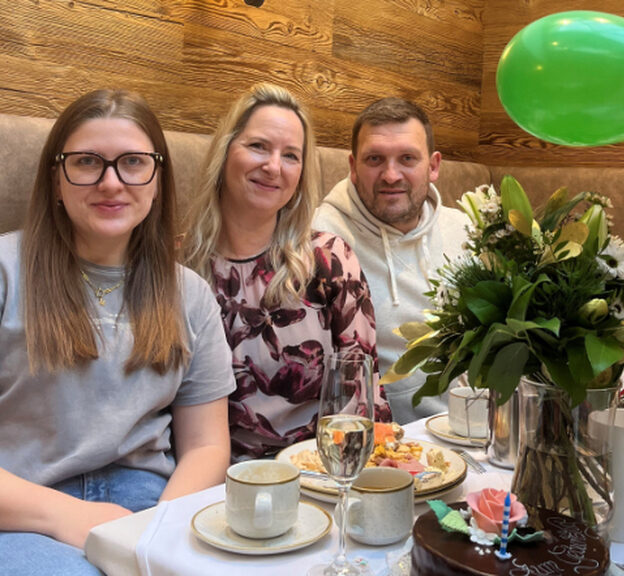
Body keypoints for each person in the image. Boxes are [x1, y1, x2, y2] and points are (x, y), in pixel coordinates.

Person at [0, 90, 235, 575]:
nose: (112, 183)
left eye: (133, 162)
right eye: (87, 162)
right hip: (23, 509)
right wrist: (71, 516)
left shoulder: (189, 294)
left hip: (156, 501)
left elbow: (207, 446)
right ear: (56, 179)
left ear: (157, 179)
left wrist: (162, 529)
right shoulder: (6, 271)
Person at [183, 83, 391, 461]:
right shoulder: (178, 267)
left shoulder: (328, 260)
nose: (273, 167)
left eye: (291, 155)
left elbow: (363, 397)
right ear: (225, 152)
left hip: (320, 477)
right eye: (258, 146)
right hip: (210, 485)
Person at [313, 97, 470, 423]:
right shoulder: (320, 241)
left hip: (472, 433)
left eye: (407, 158)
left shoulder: (468, 230)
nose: (391, 175)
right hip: (385, 444)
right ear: (353, 167)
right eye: (375, 159)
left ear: (434, 166)